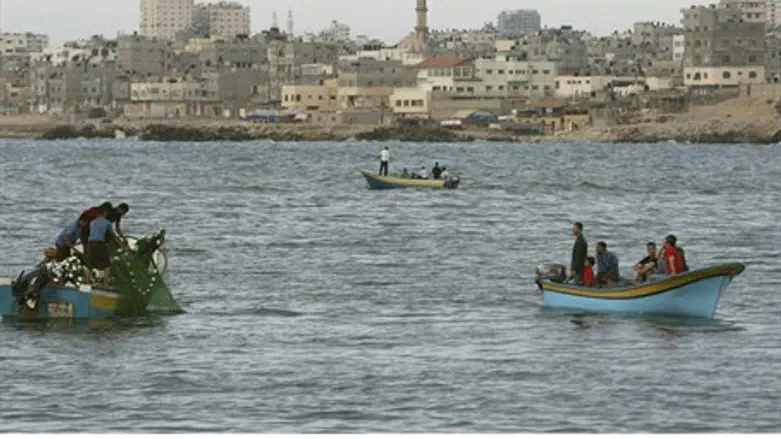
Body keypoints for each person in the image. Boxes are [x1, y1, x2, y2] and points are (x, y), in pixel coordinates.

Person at [84, 205, 124, 288]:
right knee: (107, 265)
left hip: (90, 243)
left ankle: (87, 283)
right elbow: (112, 235)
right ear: (105, 214)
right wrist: (120, 244)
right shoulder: (107, 223)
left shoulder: (92, 222)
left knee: (89, 264)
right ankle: (105, 285)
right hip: (99, 244)